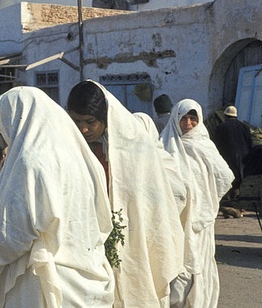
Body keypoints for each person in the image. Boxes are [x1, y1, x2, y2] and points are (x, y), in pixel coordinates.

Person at [0, 86, 114, 308]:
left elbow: (9, 237)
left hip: (44, 285)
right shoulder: (83, 158)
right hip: (86, 279)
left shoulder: (31, 162)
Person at [67, 80, 184, 307]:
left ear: (105, 117)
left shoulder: (133, 144)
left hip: (131, 230)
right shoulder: (74, 143)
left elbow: (159, 189)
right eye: (77, 121)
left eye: (90, 122)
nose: (83, 129)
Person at [159, 99, 234, 308]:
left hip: (201, 224)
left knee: (198, 266)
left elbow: (224, 177)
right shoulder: (165, 144)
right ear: (176, 118)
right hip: (175, 220)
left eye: (193, 118)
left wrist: (203, 197)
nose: (188, 123)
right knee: (177, 271)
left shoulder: (205, 147)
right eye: (184, 118)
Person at [213, 105, 252, 200]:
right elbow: (250, 143)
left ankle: (228, 199)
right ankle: (238, 197)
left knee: (228, 178)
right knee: (240, 178)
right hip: (243, 157)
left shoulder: (221, 127)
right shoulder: (245, 127)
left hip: (227, 157)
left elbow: (216, 144)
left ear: (225, 116)